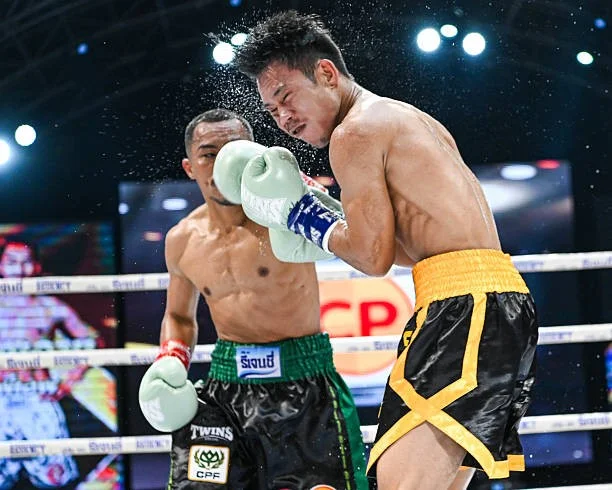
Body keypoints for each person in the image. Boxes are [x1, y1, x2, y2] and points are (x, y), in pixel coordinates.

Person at [232, 11, 539, 490]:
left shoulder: (353, 134)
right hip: (486, 303)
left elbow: (371, 260)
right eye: (272, 111)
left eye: (286, 97)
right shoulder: (404, 116)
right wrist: (329, 214)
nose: (284, 118)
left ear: (326, 73)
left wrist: (304, 217)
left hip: (465, 310)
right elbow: (404, 247)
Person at [138, 108, 369, 489]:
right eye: (209, 154)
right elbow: (179, 317)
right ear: (189, 167)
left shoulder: (285, 213)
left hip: (303, 382)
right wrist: (172, 358)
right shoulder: (182, 240)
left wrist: (301, 187)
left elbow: (350, 236)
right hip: (225, 389)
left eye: (234, 150)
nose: (222, 164)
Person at [0, 240, 99, 489]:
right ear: (1, 265)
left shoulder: (50, 307)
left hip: (37, 398)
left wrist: (69, 381)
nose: (18, 269)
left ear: (36, 266)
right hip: (1, 398)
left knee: (55, 480)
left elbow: (92, 341)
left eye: (25, 262)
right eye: (11, 262)